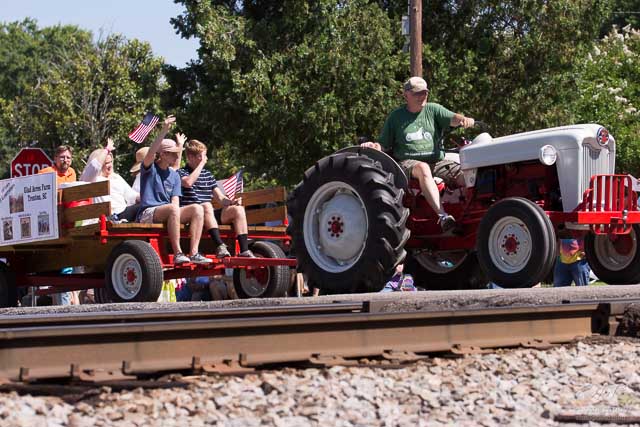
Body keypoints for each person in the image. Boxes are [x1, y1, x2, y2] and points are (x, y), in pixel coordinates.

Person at [361, 76, 475, 231]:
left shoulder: (433, 109)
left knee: (469, 175)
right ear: (406, 95)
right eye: (417, 93)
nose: (422, 97)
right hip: (408, 163)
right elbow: (383, 143)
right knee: (423, 168)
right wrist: (374, 145)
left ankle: (474, 216)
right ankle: (443, 216)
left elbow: (453, 118)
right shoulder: (396, 117)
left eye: (425, 93)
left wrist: (463, 119)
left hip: (436, 161)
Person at [137, 115, 211, 265]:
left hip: (169, 211)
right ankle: (178, 253)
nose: (177, 155)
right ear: (163, 154)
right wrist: (164, 130)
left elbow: (175, 201)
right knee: (173, 209)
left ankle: (194, 253)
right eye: (173, 152)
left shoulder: (174, 175)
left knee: (198, 208)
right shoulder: (149, 169)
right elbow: (151, 152)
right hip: (148, 213)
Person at [178, 139, 256, 258]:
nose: (205, 159)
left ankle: (244, 250)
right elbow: (188, 182)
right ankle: (219, 245)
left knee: (238, 210)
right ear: (190, 157)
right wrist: (201, 165)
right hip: (193, 216)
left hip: (209, 217)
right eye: (201, 156)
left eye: (204, 156)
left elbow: (220, 197)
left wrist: (231, 202)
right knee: (206, 205)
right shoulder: (181, 172)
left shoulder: (208, 174)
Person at [38, 145, 78, 305]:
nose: (65, 160)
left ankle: (65, 305)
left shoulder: (72, 173)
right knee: (60, 265)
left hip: (68, 222)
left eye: (68, 157)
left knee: (66, 266)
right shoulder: (46, 172)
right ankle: (61, 306)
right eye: (62, 157)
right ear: (55, 158)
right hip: (52, 222)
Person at [80, 138, 140, 222]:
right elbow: (94, 166)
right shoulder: (93, 179)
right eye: (106, 163)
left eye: (111, 162)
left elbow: (131, 195)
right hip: (110, 217)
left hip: (123, 213)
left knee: (148, 205)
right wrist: (106, 150)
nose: (110, 165)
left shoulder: (116, 177)